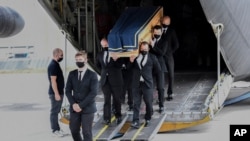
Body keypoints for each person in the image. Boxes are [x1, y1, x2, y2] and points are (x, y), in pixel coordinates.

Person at [65, 51, 99, 141]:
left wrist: (81, 105)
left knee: (86, 132)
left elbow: (93, 93)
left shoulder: (92, 75)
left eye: (80, 59)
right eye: (76, 60)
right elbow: (67, 91)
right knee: (73, 130)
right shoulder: (72, 74)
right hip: (74, 108)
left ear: (85, 60)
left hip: (87, 108)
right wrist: (73, 104)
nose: (78, 61)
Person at [129, 41, 161, 128]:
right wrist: (131, 61)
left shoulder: (152, 57)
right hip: (136, 84)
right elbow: (128, 68)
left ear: (149, 49)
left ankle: (148, 118)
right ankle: (135, 121)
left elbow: (158, 70)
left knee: (148, 103)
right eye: (142, 49)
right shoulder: (135, 57)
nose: (144, 50)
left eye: (145, 49)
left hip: (147, 84)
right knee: (136, 103)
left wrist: (149, 76)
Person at [97, 38, 123, 125]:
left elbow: (121, 65)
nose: (104, 47)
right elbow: (98, 66)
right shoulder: (100, 54)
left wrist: (116, 60)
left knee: (117, 99)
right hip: (105, 80)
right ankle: (106, 118)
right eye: (103, 45)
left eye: (106, 45)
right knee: (106, 100)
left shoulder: (117, 53)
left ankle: (118, 116)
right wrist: (104, 73)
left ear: (109, 44)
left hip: (116, 79)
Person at [47, 48, 65, 137]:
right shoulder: (53, 65)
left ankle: (57, 128)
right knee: (54, 112)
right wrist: (57, 94)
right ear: (57, 55)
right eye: (61, 55)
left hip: (59, 92)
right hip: (55, 93)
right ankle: (54, 130)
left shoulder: (56, 64)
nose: (62, 56)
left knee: (57, 111)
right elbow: (53, 81)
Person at [149, 25, 168, 113]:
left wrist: (153, 46)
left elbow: (162, 53)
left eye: (158, 32)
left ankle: (161, 105)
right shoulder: (150, 40)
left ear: (161, 32)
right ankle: (150, 106)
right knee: (150, 87)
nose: (156, 34)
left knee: (160, 87)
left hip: (160, 67)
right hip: (151, 67)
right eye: (155, 33)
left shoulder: (164, 41)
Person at [161, 15, 179, 101]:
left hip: (168, 56)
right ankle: (160, 93)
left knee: (171, 75)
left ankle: (170, 93)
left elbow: (176, 44)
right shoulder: (158, 30)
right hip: (160, 56)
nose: (165, 23)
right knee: (160, 75)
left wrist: (170, 52)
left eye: (166, 22)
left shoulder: (171, 31)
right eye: (163, 21)